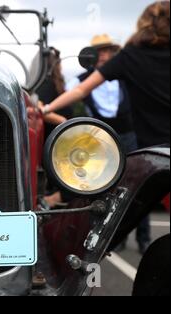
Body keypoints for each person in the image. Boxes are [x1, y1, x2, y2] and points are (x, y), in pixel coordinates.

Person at [40, 1, 170, 253]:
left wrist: (45, 109)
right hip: (120, 141)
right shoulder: (126, 58)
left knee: (132, 193)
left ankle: (105, 243)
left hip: (154, 149)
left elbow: (81, 91)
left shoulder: (131, 57)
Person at [67, 34, 137, 153]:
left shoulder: (126, 75)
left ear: (111, 52)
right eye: (97, 51)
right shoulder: (81, 80)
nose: (101, 54)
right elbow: (68, 92)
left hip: (128, 135)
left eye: (105, 50)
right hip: (98, 137)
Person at [36, 47, 74, 208]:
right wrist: (63, 121)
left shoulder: (54, 83)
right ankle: (51, 201)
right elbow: (39, 107)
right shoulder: (46, 84)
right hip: (55, 143)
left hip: (61, 142)